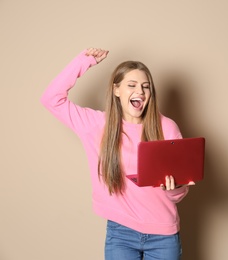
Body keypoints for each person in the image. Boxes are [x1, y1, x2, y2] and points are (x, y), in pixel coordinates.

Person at [41, 48, 194, 260]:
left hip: (164, 236)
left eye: (145, 87)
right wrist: (83, 62)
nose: (139, 91)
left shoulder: (167, 127)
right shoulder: (96, 125)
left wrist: (175, 187)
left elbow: (178, 195)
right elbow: (51, 99)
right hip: (121, 232)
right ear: (116, 90)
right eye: (131, 85)